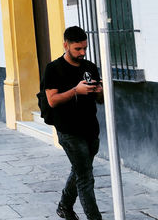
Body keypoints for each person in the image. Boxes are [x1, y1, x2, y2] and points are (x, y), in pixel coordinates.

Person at [44, 26, 104, 220]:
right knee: (86, 177)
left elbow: (100, 100)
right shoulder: (53, 69)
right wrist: (75, 91)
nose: (82, 52)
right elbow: (52, 100)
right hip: (68, 130)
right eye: (77, 49)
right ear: (66, 45)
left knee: (80, 170)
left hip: (91, 129)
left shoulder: (90, 67)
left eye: (84, 48)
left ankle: (64, 206)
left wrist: (100, 91)